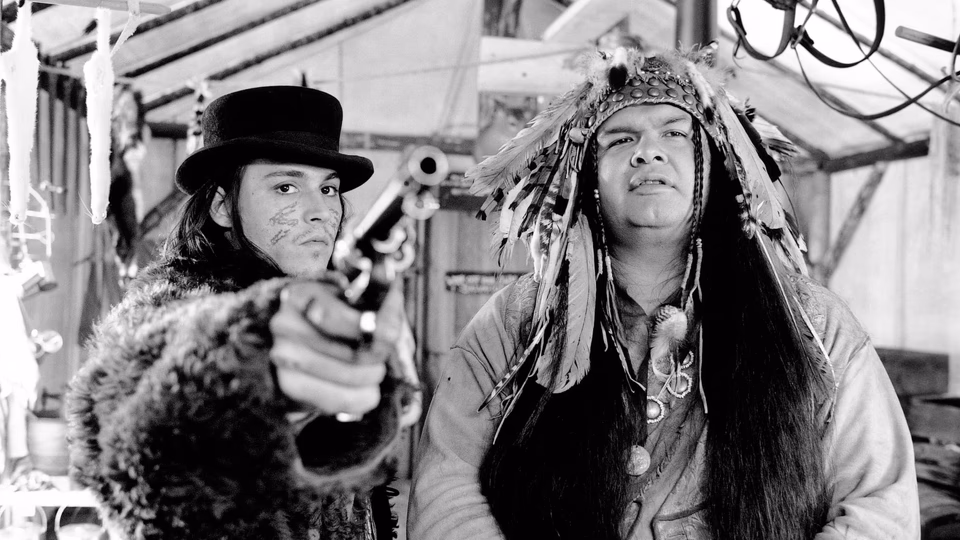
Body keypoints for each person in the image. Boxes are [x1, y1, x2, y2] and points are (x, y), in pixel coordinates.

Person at [408, 46, 920, 539]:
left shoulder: (812, 323)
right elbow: (445, 490)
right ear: (587, 175)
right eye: (619, 139)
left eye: (675, 133)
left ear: (716, 164)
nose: (647, 151)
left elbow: (881, 508)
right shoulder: (515, 322)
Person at [67, 86, 420, 540]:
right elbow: (127, 408)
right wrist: (250, 361)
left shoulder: (329, 307)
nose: (320, 212)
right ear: (221, 205)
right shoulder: (167, 306)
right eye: (286, 186)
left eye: (328, 188)